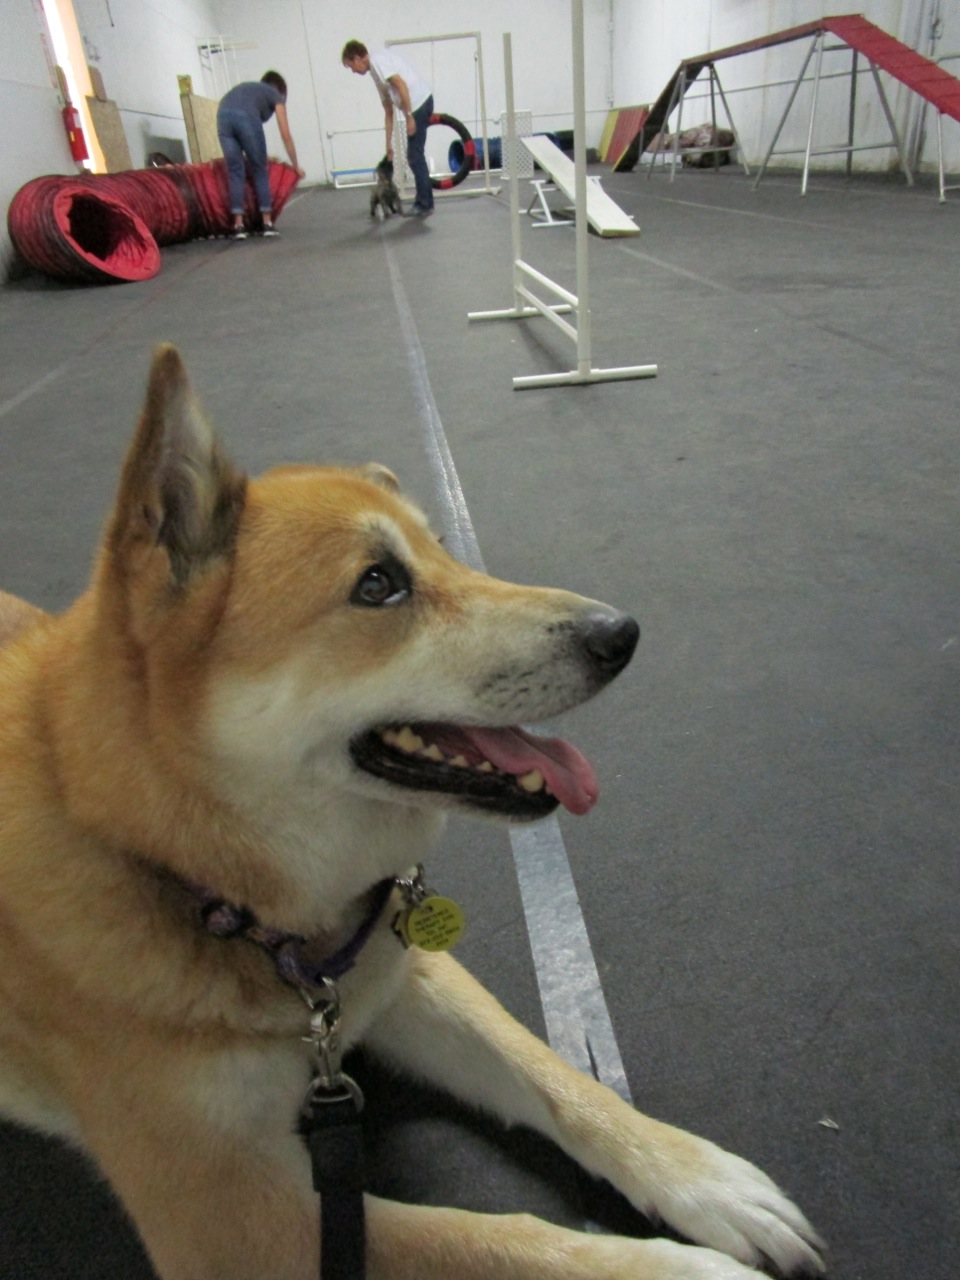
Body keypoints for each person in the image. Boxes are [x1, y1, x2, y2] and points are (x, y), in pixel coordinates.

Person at [341, 40, 434, 219]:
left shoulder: (377, 61)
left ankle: (424, 204)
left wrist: (409, 116)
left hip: (419, 104)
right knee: (415, 155)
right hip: (416, 105)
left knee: (415, 156)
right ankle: (425, 202)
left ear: (358, 58)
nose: (353, 71)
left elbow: (401, 84)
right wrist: (388, 145)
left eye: (351, 66)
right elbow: (388, 111)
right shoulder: (375, 73)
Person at [216, 71, 305, 239]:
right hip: (246, 119)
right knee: (259, 169)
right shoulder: (275, 94)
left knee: (235, 171)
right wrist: (295, 166)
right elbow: (285, 134)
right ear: (281, 90)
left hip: (222, 116)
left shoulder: (249, 89)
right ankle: (267, 223)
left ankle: (238, 226)